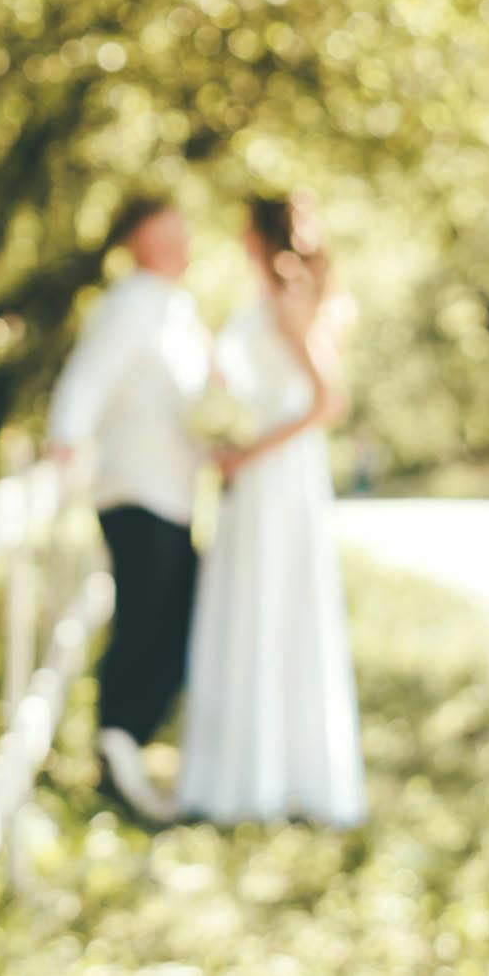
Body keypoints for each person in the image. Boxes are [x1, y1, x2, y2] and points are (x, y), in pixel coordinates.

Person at [174, 191, 366, 827]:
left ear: (259, 236)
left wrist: (248, 452)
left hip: (278, 478)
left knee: (277, 607)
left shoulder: (288, 304)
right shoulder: (259, 303)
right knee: (245, 607)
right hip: (252, 478)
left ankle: (275, 779)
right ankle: (239, 775)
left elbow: (325, 403)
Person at [44, 194, 210, 821]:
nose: (180, 244)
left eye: (182, 232)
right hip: (134, 489)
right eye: (165, 233)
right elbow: (88, 377)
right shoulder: (131, 303)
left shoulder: (179, 309)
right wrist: (65, 436)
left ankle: (126, 746)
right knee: (147, 620)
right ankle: (118, 750)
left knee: (173, 617)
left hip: (173, 490)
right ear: (137, 242)